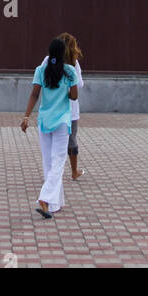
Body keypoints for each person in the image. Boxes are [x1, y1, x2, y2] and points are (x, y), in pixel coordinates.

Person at [21, 37, 78, 217]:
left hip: (44, 122)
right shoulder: (69, 71)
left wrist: (26, 117)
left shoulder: (40, 70)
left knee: (48, 163)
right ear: (63, 54)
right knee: (58, 162)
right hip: (62, 122)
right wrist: (67, 87)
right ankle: (45, 199)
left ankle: (54, 205)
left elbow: (34, 95)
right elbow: (74, 97)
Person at [41, 32, 85, 180]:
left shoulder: (48, 60)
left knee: (51, 142)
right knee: (71, 140)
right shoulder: (73, 63)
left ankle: (52, 172)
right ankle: (73, 171)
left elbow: (41, 77)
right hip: (70, 110)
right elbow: (79, 85)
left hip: (50, 108)